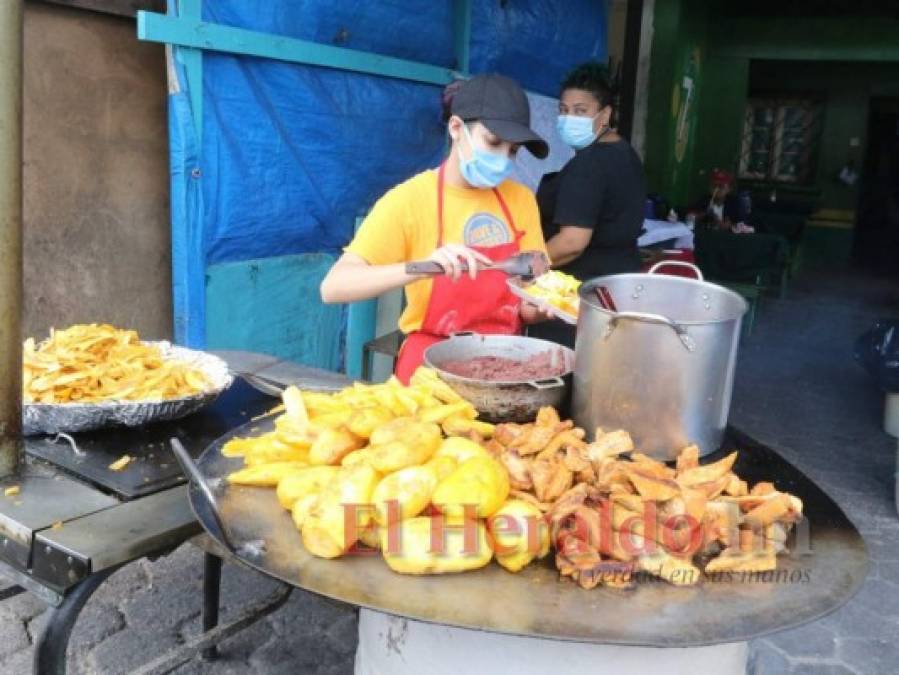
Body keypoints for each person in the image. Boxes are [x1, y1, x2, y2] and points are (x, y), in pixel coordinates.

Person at [320, 73, 551, 383]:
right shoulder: (410, 199)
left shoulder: (520, 199)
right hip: (428, 372)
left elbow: (528, 298)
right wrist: (423, 267)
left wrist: (542, 307)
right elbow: (333, 287)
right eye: (493, 142)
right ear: (456, 128)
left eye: (512, 151)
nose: (502, 158)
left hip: (505, 368)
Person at [530, 61, 646, 347]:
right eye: (564, 110)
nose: (569, 118)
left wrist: (525, 268)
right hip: (618, 290)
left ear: (605, 114)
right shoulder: (624, 153)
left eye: (581, 111)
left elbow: (572, 242)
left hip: (579, 298)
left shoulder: (590, 165)